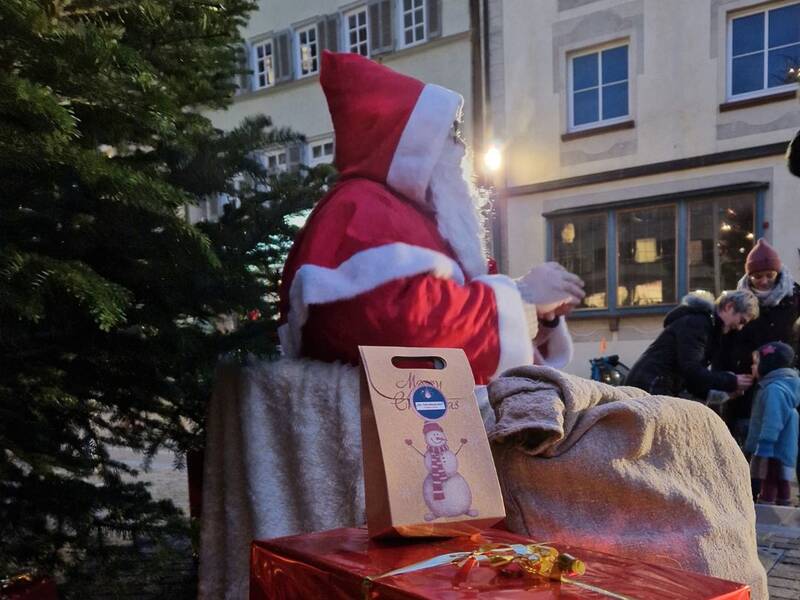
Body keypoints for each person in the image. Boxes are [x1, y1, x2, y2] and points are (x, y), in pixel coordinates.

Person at [278, 51, 585, 384]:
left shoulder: (417, 215)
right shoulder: (359, 207)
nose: (462, 149)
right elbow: (397, 323)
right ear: (412, 143)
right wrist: (523, 298)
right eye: (451, 134)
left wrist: (541, 316)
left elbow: (459, 308)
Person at [713, 239, 800, 440]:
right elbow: (723, 344)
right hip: (744, 386)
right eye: (757, 276)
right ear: (748, 276)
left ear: (778, 274)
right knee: (746, 440)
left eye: (769, 275)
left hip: (784, 384)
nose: (763, 281)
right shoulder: (738, 302)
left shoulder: (794, 300)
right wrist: (725, 380)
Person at [625, 290, 759, 398]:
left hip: (652, 383)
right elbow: (691, 369)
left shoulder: (704, 325)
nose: (740, 327)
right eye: (741, 321)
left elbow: (691, 374)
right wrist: (731, 381)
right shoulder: (698, 324)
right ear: (729, 306)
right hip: (652, 385)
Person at [745, 342, 800, 505]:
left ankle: (767, 505)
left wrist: (766, 444)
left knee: (768, 478)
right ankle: (782, 505)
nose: (752, 367)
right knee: (780, 480)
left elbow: (772, 419)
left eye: (756, 362)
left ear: (768, 365)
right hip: (780, 447)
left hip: (770, 448)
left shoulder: (774, 389)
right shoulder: (782, 386)